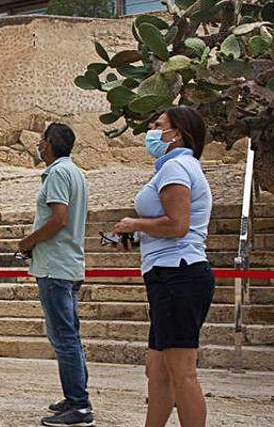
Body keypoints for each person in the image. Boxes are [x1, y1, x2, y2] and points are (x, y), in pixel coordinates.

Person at [110, 106, 215, 427]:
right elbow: (169, 225)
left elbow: (178, 225)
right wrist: (138, 234)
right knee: (157, 370)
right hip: (167, 274)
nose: (152, 131)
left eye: (159, 125)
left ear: (177, 134)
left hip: (178, 274)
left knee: (182, 372)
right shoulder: (174, 167)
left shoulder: (176, 169)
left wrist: (132, 223)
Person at [18, 123, 93, 427]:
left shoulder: (58, 173)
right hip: (67, 263)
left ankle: (79, 405)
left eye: (41, 140)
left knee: (63, 337)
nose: (38, 144)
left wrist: (28, 241)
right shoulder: (74, 172)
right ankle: (75, 395)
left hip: (55, 266)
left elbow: (58, 219)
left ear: (48, 144)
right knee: (68, 335)